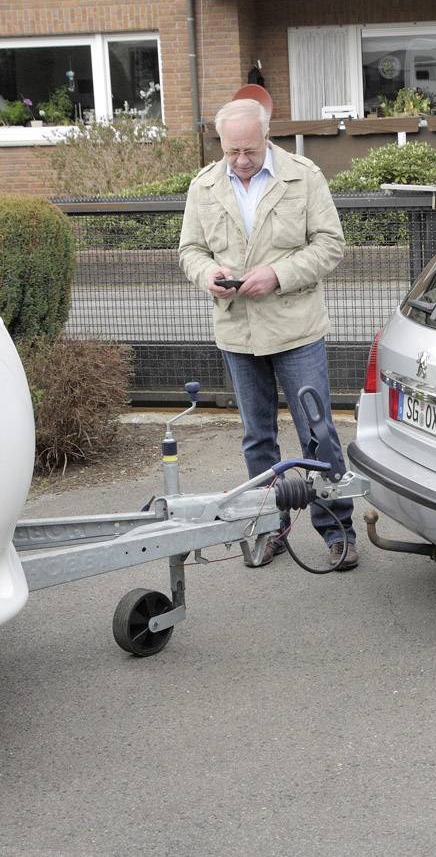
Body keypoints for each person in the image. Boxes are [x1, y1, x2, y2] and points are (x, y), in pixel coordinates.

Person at [178, 98, 358, 570]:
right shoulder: (204, 186)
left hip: (296, 329)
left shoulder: (304, 176)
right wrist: (207, 274)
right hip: (238, 331)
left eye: (250, 151)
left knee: (317, 433)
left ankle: (337, 528)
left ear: (266, 136)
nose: (240, 161)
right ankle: (268, 528)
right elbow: (190, 250)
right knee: (257, 438)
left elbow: (330, 245)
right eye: (232, 151)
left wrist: (277, 274)